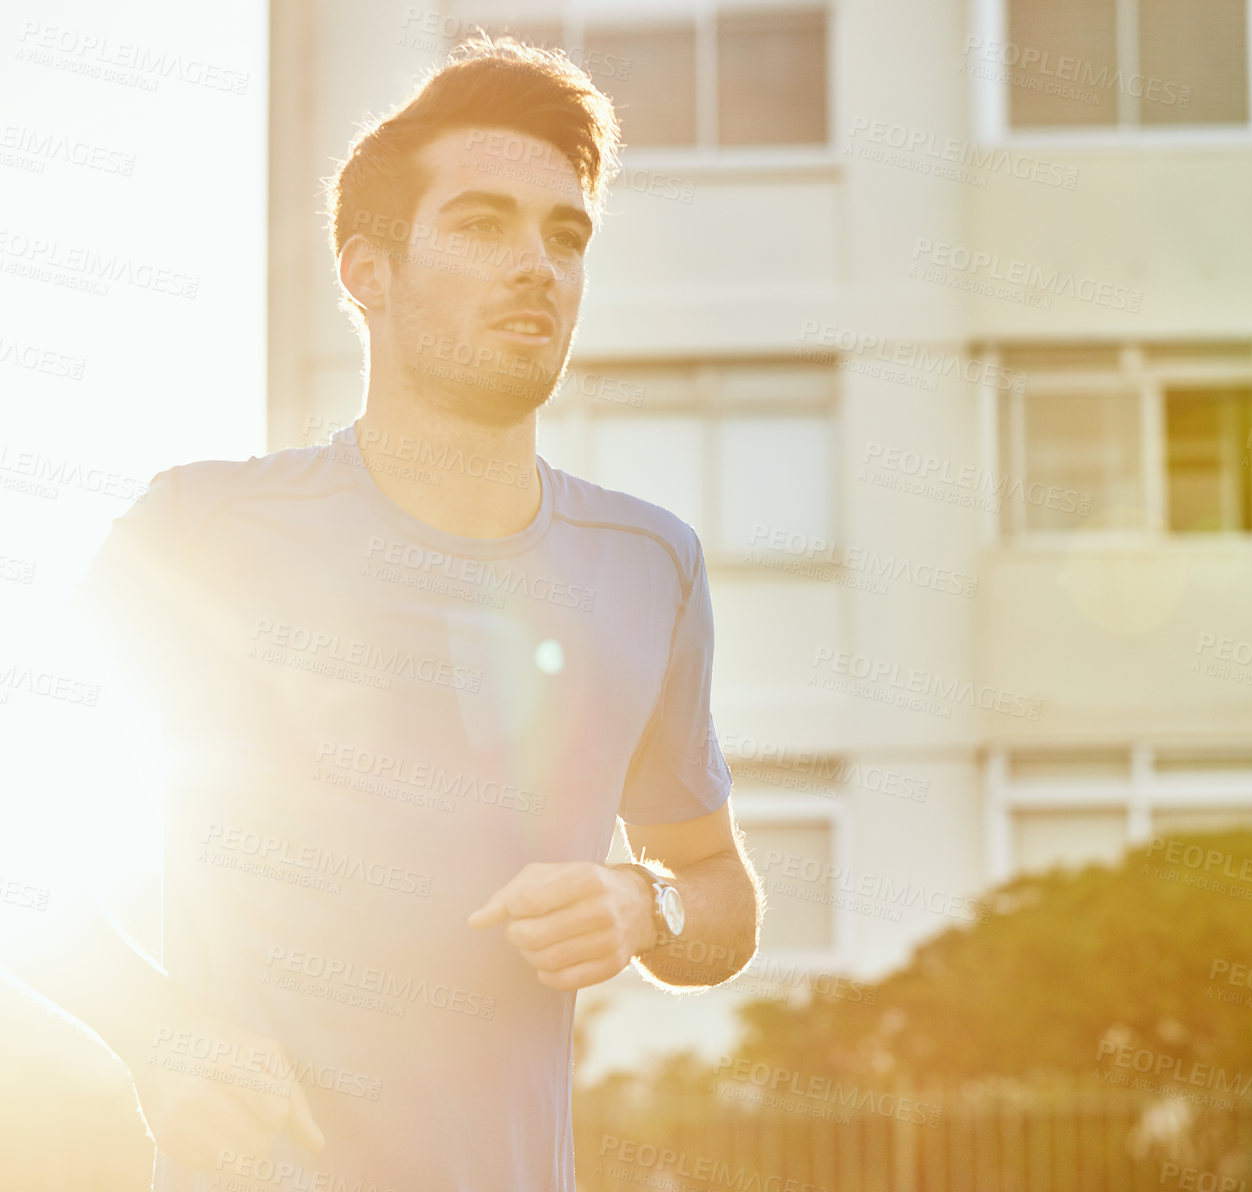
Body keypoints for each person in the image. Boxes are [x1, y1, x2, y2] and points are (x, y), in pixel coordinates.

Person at [11, 35, 762, 1191]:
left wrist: (640, 901)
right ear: (366, 270)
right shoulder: (202, 532)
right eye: (483, 225)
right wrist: (159, 1038)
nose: (538, 266)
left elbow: (718, 892)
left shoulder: (647, 563)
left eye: (566, 235)